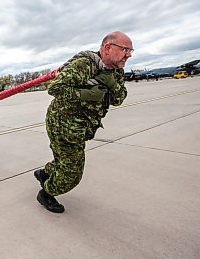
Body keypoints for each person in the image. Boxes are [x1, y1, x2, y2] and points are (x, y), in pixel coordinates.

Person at [34, 31, 132, 213]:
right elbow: (55, 88)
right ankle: (46, 193)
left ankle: (45, 173)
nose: (129, 54)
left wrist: (112, 85)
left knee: (64, 160)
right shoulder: (85, 65)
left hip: (79, 126)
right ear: (108, 48)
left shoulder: (116, 71)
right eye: (125, 49)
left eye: (131, 50)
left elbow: (119, 98)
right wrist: (84, 94)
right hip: (63, 123)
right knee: (72, 173)